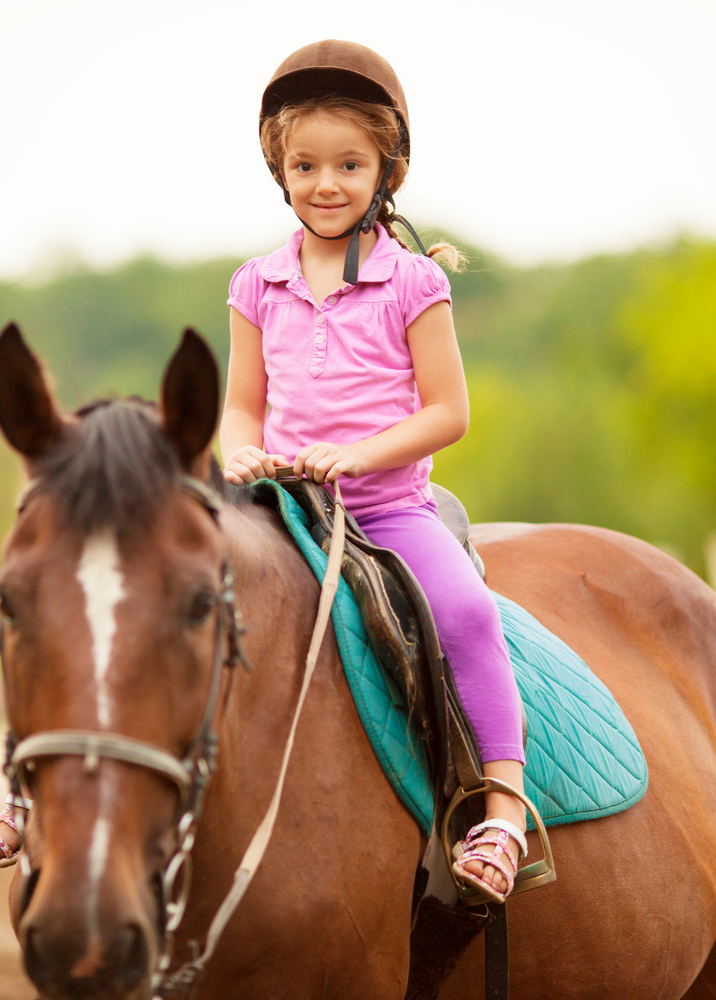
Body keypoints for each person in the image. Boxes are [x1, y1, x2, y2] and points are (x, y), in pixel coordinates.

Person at [219, 39, 528, 904]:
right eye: (307, 164)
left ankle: (503, 803)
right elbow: (242, 404)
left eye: (349, 164)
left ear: (384, 169)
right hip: (280, 506)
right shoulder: (256, 284)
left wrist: (359, 454)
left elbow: (447, 412)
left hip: (386, 511)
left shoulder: (411, 282)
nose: (327, 183)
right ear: (280, 169)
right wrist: (236, 449)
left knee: (465, 610)